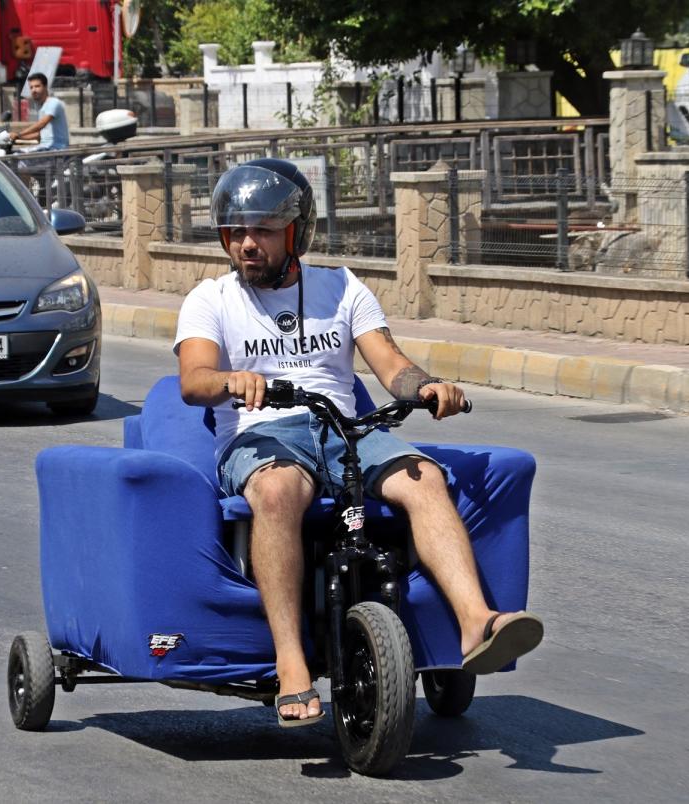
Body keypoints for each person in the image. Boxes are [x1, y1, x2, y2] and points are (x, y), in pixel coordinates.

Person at [174, 159, 544, 727]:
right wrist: (233, 380)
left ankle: (476, 623)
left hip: (343, 429)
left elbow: (391, 366)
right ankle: (291, 663)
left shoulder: (342, 287)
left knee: (424, 477)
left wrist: (428, 388)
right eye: (236, 232)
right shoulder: (210, 298)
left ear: (298, 232)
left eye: (264, 231)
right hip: (262, 434)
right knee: (276, 494)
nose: (247, 244)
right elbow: (194, 380)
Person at [2, 72, 69, 152]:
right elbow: (39, 135)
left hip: (56, 148)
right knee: (17, 153)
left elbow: (41, 124)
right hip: (45, 147)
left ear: (45, 87)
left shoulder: (54, 103)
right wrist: (17, 137)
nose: (34, 90)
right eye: (31, 87)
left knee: (19, 159)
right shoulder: (41, 108)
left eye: (37, 86)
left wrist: (19, 134)